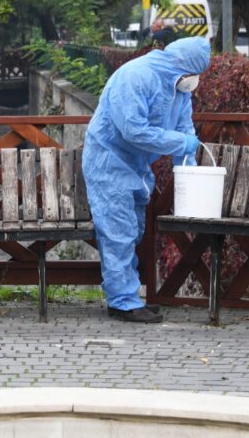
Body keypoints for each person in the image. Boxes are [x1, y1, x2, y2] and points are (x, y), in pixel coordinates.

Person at [83, 36, 210, 323]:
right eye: (194, 73)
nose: (195, 80)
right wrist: (180, 143)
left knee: (134, 230)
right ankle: (123, 302)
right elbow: (133, 130)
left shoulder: (179, 87)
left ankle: (126, 295)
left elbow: (184, 129)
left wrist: (188, 170)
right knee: (118, 232)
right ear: (181, 66)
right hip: (109, 161)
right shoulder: (136, 76)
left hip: (137, 166)